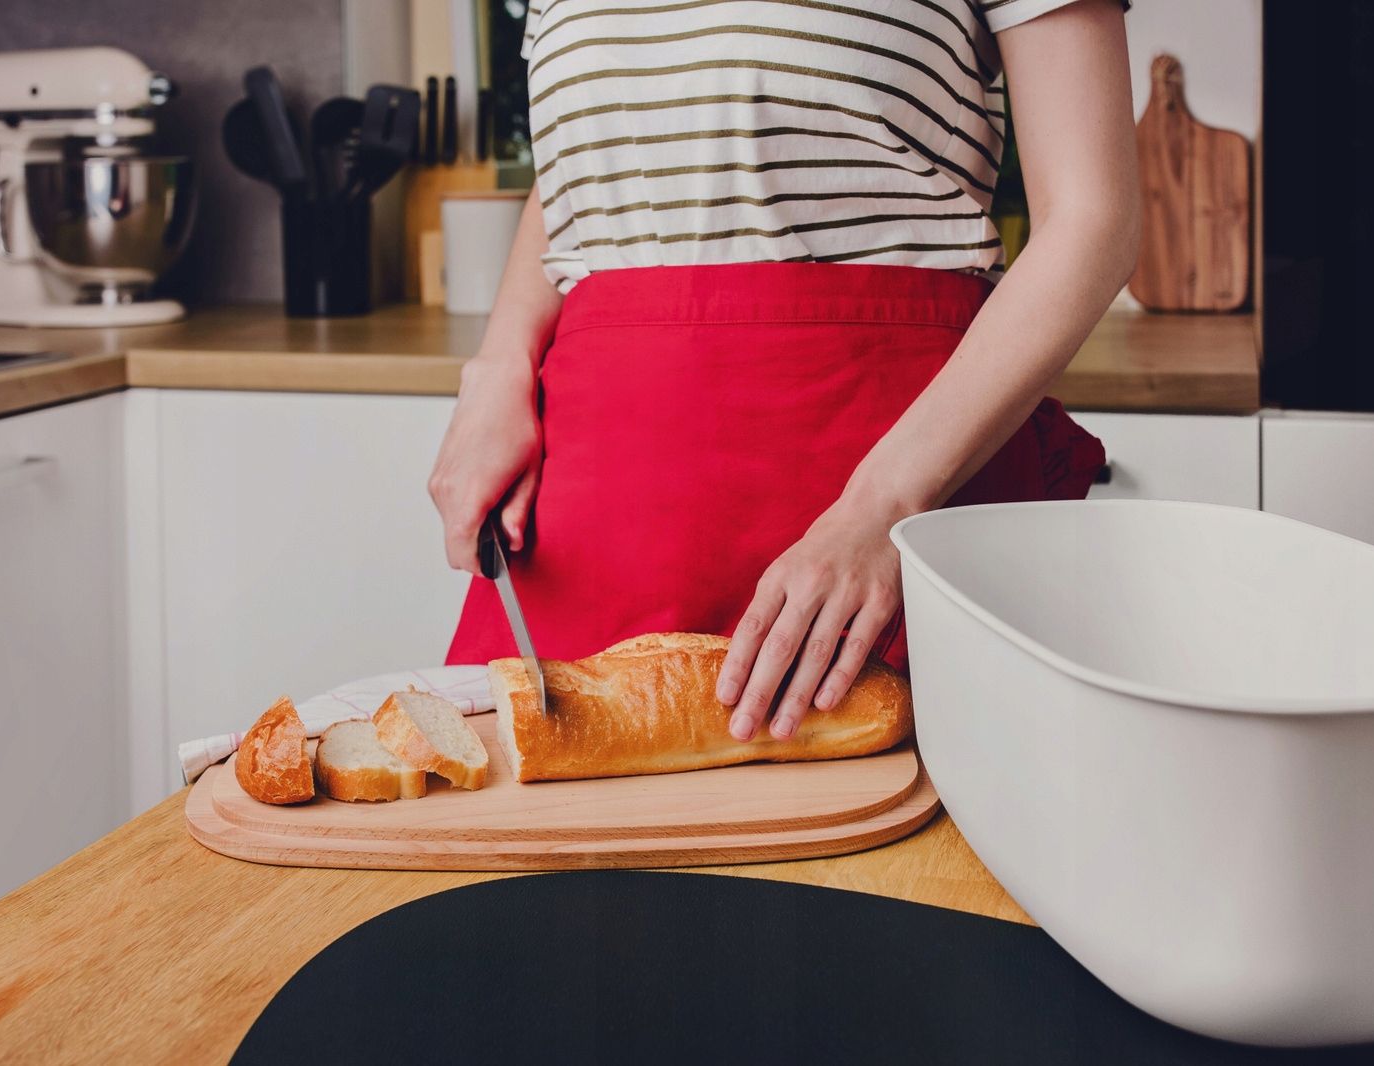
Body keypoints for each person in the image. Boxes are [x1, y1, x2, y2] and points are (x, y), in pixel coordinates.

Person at [429, 0, 1139, 743]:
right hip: (600, 498)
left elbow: (1094, 219)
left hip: (893, 474)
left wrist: (884, 508)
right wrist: (498, 368)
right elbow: (594, 155)